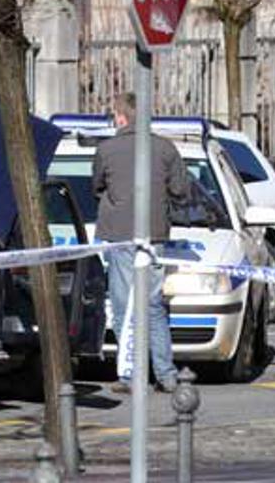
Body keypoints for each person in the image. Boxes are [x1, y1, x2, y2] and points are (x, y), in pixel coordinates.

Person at [91, 92, 188, 394]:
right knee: (153, 305)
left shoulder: (106, 149)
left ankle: (131, 374)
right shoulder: (165, 148)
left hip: (120, 236)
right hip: (154, 236)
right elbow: (180, 190)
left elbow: (96, 186)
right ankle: (167, 374)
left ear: (120, 117)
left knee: (124, 306)